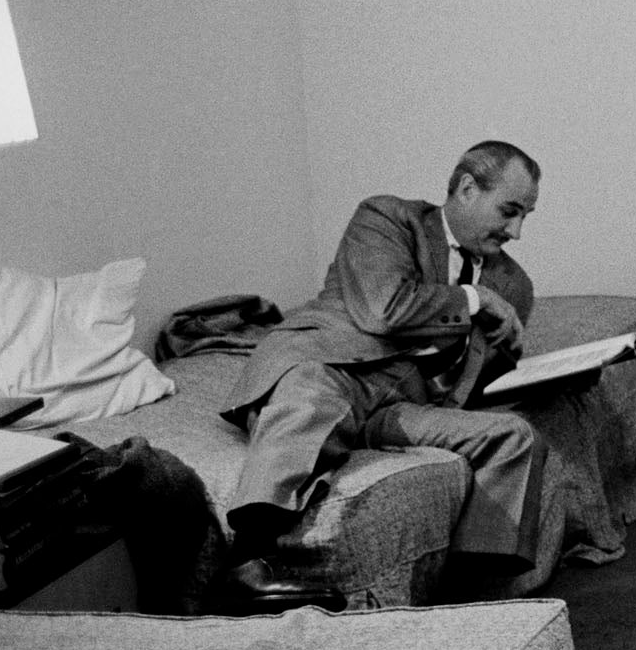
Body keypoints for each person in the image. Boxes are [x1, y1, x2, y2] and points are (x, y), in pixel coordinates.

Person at [217, 140, 547, 607]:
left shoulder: (514, 283)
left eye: (525, 217)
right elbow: (382, 310)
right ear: (468, 188)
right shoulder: (387, 219)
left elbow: (477, 380)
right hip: (337, 365)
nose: (516, 231)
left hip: (404, 405)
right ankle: (246, 563)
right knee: (309, 398)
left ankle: (472, 592)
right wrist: (475, 301)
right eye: (509, 211)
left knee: (515, 436)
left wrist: (545, 373)